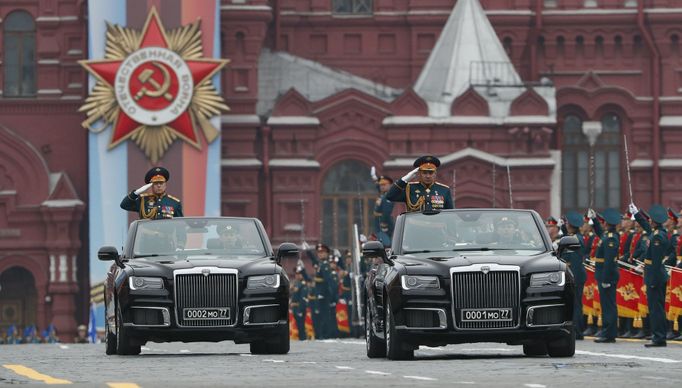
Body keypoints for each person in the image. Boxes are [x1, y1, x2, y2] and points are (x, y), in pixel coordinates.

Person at [631, 203, 670, 347]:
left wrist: (652, 279)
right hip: (654, 275)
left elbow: (656, 261)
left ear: (653, 221)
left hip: (656, 277)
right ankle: (658, 335)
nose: (649, 222)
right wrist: (636, 214)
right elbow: (647, 227)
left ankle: (659, 338)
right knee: (654, 308)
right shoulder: (656, 233)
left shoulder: (658, 237)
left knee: (656, 309)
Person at [386, 155, 453, 212]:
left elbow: (450, 213)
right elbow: (390, 196)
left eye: (431, 173)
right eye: (424, 173)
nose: (428, 176)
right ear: (419, 174)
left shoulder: (444, 190)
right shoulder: (410, 188)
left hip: (438, 226)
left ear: (435, 174)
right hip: (415, 226)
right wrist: (404, 179)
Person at [593, 208, 621, 343]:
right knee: (606, 304)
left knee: (609, 305)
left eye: (603, 222)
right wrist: (594, 219)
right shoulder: (607, 236)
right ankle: (607, 331)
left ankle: (609, 333)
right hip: (604, 275)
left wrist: (605, 279)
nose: (602, 224)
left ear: (607, 223)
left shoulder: (611, 239)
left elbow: (609, 261)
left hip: (607, 276)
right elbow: (600, 233)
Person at [370, 167, 395, 247]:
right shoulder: (383, 194)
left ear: (390, 185)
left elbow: (387, 212)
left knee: (385, 243)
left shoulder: (388, 196)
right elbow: (378, 186)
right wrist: (374, 177)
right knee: (380, 239)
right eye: (381, 185)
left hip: (384, 223)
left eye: (384, 185)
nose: (382, 186)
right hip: (379, 222)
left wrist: (384, 223)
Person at [290, 267, 309, 341]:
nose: (297, 275)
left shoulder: (303, 284)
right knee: (298, 325)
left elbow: (303, 298)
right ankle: (301, 338)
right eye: (296, 274)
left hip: (300, 308)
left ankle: (303, 338)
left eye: (299, 274)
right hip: (295, 308)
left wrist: (300, 309)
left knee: (301, 325)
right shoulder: (296, 284)